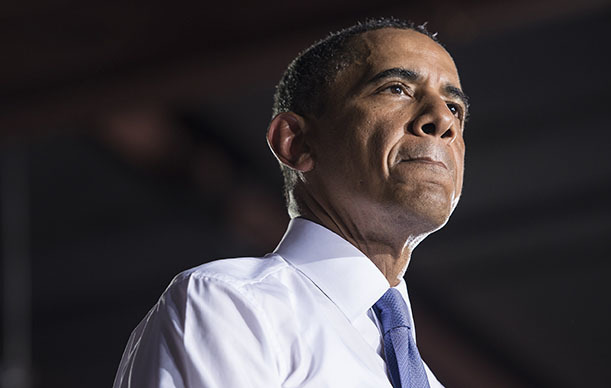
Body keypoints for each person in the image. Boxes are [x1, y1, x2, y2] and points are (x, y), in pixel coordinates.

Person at [113, 16, 469, 388]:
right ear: (295, 142)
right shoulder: (231, 308)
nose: (443, 119)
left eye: (456, 109)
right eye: (396, 89)